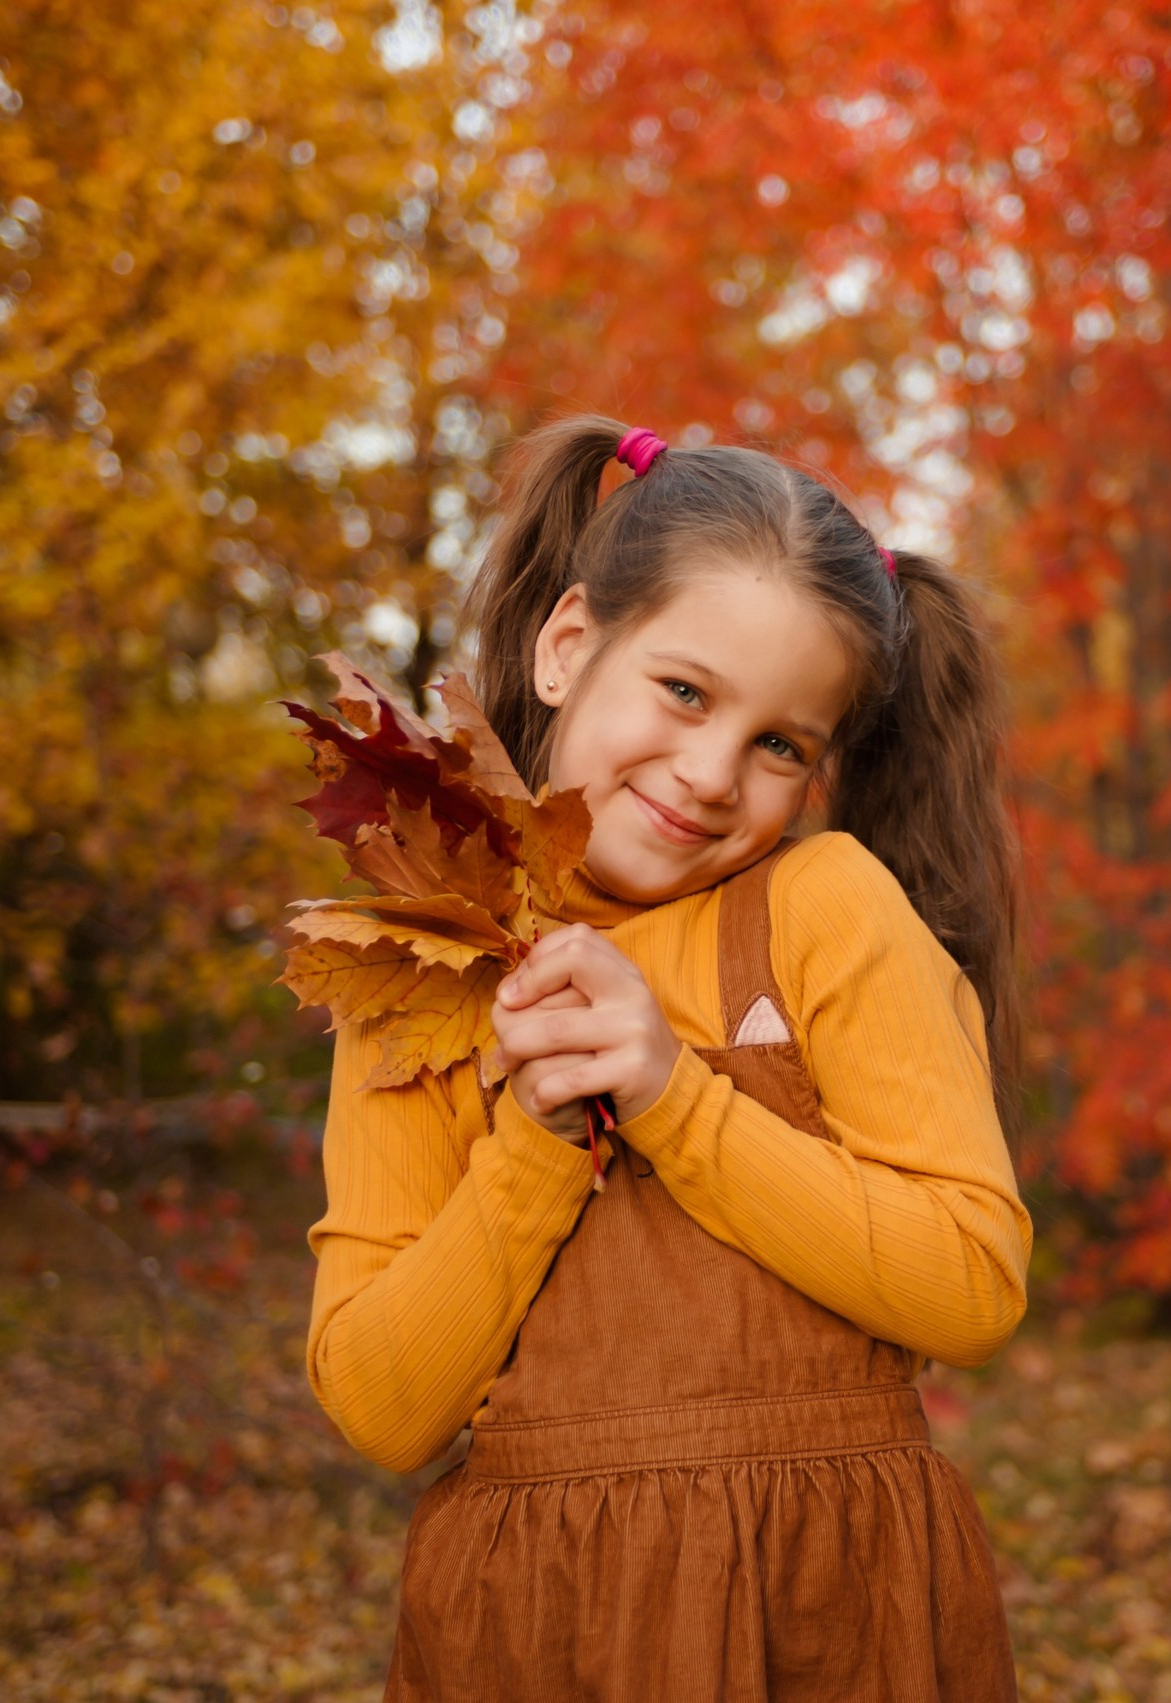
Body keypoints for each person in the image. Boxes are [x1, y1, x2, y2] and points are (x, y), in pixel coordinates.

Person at [305, 415, 1031, 1700]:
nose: (708, 773)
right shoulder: (426, 969)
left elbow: (969, 1284)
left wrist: (671, 1096)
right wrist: (538, 1142)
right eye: (685, 691)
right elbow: (381, 1405)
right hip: (535, 1630)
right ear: (568, 645)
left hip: (825, 1611)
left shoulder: (823, 908)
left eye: (780, 744)